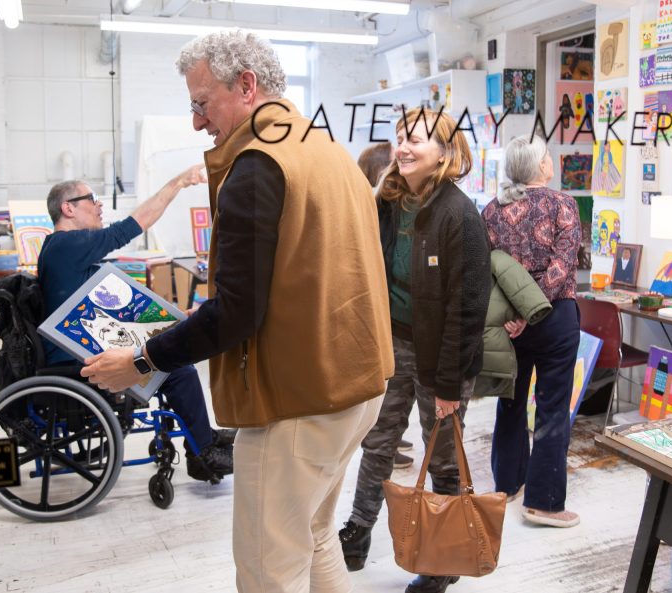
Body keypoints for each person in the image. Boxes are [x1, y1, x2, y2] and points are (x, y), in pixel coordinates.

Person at [79, 30, 394, 593]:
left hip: (298, 402)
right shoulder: (326, 151)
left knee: (269, 571)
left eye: (202, 103)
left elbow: (237, 312)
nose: (198, 122)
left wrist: (144, 360)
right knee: (316, 540)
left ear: (247, 86)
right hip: (356, 389)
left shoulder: (257, 166)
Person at [339, 107, 491, 593]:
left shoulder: (459, 214)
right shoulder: (387, 201)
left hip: (442, 357)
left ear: (445, 152)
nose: (403, 146)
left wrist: (448, 385)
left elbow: (466, 309)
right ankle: (358, 530)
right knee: (378, 441)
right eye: (400, 136)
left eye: (418, 139)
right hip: (393, 344)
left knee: (443, 455)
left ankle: (445, 559)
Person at [37, 175, 235, 483]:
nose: (99, 205)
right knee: (177, 367)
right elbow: (133, 224)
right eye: (91, 199)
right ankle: (202, 453)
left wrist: (172, 319)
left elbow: (113, 314)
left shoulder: (63, 250)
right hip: (73, 360)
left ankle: (201, 435)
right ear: (68, 209)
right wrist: (178, 183)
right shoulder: (67, 244)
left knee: (174, 350)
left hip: (80, 348)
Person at [482, 135, 582, 528]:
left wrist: (517, 312)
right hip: (555, 318)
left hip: (508, 320)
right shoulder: (563, 205)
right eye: (548, 157)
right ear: (541, 167)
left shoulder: (491, 210)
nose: (552, 161)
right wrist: (533, 308)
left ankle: (507, 484)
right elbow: (562, 266)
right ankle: (544, 503)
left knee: (509, 399)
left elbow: (485, 269)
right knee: (552, 407)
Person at [356, 141, 415, 470]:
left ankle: (388, 437)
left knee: (391, 383)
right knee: (384, 382)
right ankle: (382, 442)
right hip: (378, 307)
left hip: (386, 305)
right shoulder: (373, 204)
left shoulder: (379, 202)